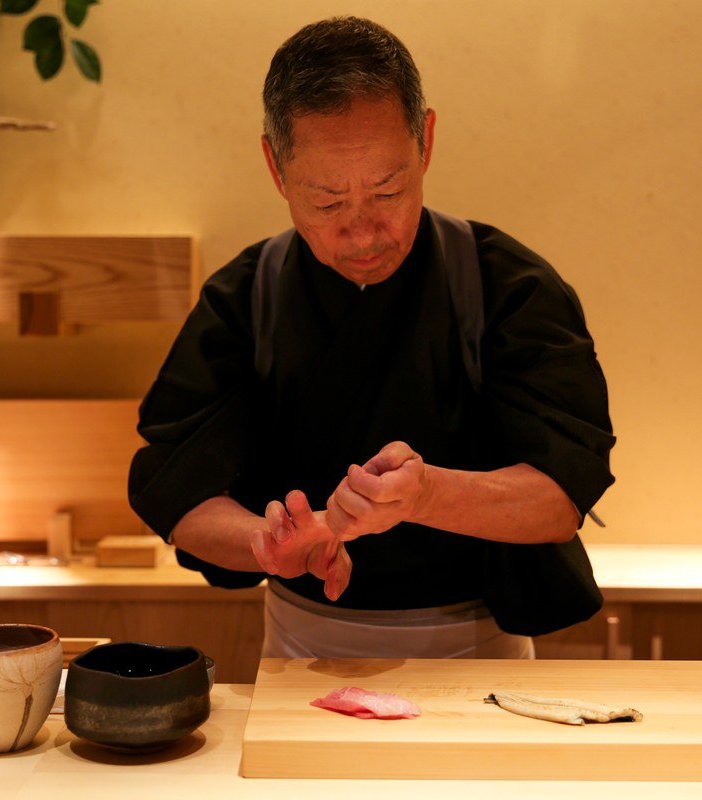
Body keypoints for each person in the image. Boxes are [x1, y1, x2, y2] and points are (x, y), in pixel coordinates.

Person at [128, 17, 615, 660]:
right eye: (328, 203)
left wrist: (425, 494)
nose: (363, 232)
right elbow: (176, 489)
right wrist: (266, 541)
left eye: (388, 190)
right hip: (300, 645)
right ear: (276, 167)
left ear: (427, 142)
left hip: (483, 649)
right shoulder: (247, 295)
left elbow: (561, 495)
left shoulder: (506, 285)